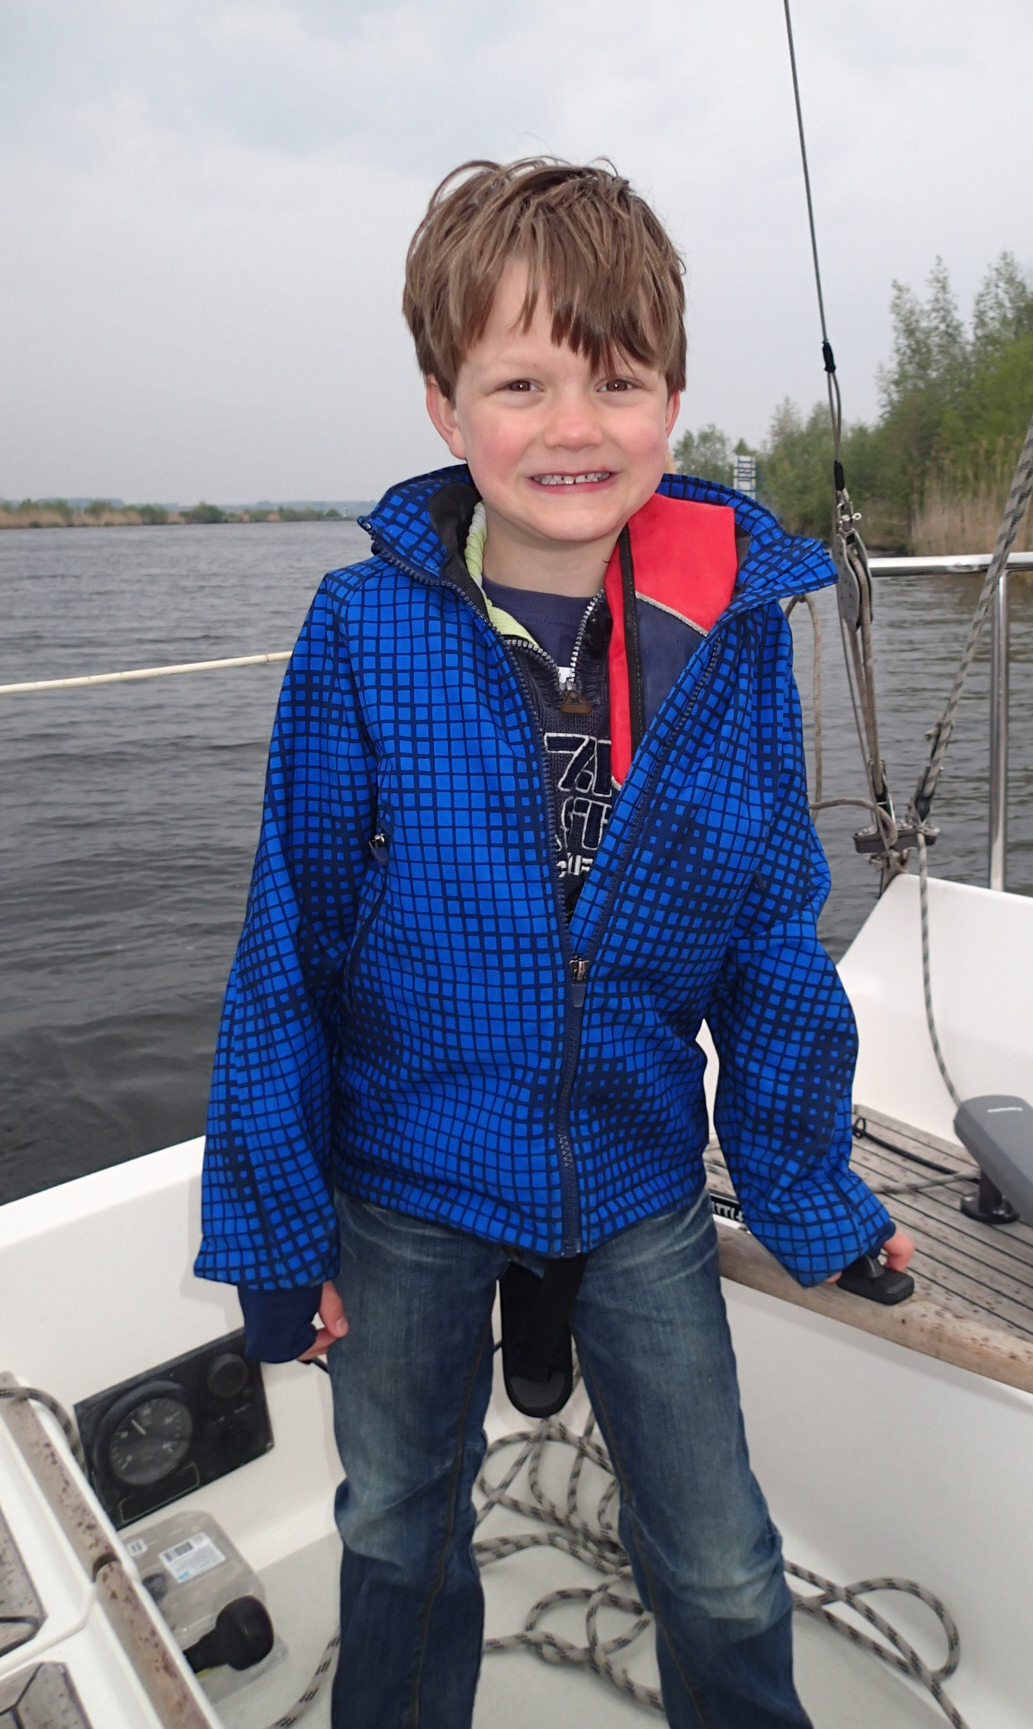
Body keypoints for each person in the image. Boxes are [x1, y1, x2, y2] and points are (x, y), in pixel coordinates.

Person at [195, 157, 914, 1729]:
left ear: (672, 403)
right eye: (520, 383)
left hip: (642, 1172)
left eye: (617, 379)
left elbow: (770, 938)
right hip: (407, 1178)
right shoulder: (360, 632)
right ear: (446, 407)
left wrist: (810, 1190)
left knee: (722, 1566)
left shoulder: (736, 641)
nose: (572, 425)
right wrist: (277, 1241)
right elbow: (285, 947)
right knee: (398, 1531)